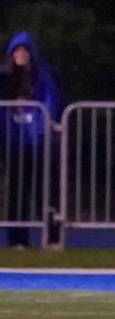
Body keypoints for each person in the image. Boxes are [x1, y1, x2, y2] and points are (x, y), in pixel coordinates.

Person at [0, 32, 61, 248]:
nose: (21, 54)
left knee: (46, 190)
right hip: (14, 142)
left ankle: (53, 238)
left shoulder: (42, 76)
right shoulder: (5, 76)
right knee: (17, 191)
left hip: (38, 141)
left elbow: (51, 101)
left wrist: (45, 128)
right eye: (17, 50)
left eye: (25, 50)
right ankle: (17, 240)